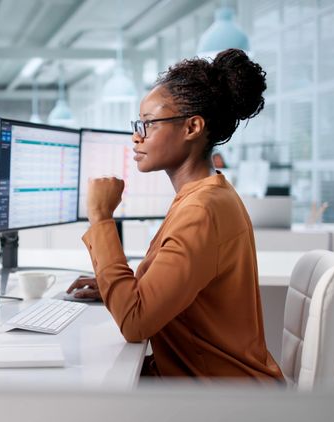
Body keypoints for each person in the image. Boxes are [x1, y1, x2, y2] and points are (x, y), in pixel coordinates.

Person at [68, 49, 284, 382]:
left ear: (192, 127)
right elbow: (174, 290)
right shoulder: (206, 194)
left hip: (217, 397)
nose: (137, 136)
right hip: (205, 381)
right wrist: (116, 286)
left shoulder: (201, 210)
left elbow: (135, 322)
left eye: (149, 124)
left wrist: (100, 216)